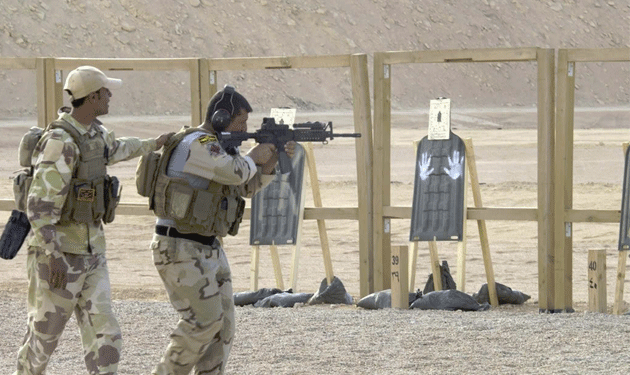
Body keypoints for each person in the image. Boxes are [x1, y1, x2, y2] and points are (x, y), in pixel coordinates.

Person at [14, 65, 174, 375]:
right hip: (59, 257)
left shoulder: (95, 135)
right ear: (92, 97)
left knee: (106, 337)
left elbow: (116, 148)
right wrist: (53, 254)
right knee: (43, 340)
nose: (110, 96)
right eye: (105, 92)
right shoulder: (61, 142)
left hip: (92, 253)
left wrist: (153, 143)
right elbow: (38, 205)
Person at [148, 85, 294, 375]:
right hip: (180, 247)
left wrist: (271, 160)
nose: (244, 130)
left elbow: (245, 188)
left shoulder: (224, 149)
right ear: (220, 117)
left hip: (208, 247)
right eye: (240, 123)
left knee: (222, 327)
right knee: (201, 322)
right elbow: (234, 171)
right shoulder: (199, 144)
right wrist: (255, 156)